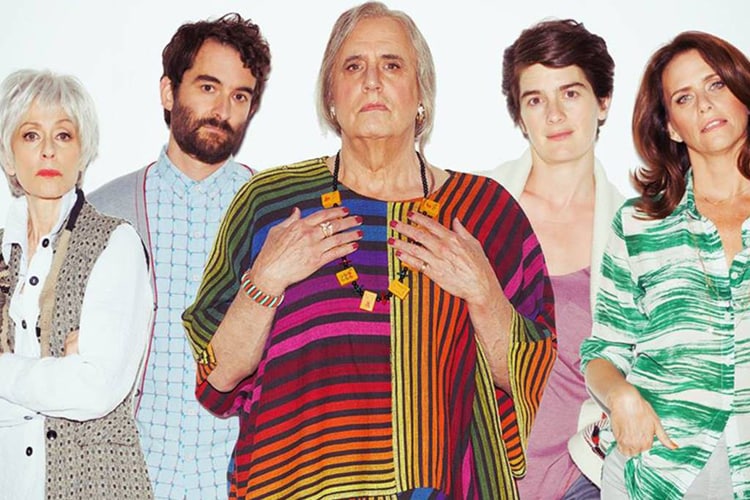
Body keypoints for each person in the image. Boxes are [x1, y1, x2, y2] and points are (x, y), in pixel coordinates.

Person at [182, 2, 556, 499]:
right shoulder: (271, 202)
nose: (373, 82)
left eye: (392, 65)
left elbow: (534, 380)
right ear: (330, 95)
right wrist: (266, 280)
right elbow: (218, 377)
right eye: (353, 66)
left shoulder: (483, 212)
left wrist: (483, 294)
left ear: (421, 93)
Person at [88, 13, 271, 499]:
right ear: (168, 92)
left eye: (240, 96)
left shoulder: (273, 214)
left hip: (241, 480)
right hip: (129, 479)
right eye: (208, 87)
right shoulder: (105, 212)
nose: (223, 110)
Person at [581, 31, 750, 499]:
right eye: (684, 97)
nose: (705, 104)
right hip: (661, 471)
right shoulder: (638, 224)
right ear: (672, 127)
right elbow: (604, 350)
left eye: (716, 85)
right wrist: (620, 397)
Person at [0, 69, 152, 498]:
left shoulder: (114, 242)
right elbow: (72, 383)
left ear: (82, 154)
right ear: (9, 157)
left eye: (64, 135)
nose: (48, 150)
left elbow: (95, 389)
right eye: (31, 135)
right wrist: (58, 373)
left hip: (95, 484)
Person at [488, 19, 623, 498]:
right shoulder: (478, 206)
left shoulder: (634, 229)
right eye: (535, 99)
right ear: (519, 115)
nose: (554, 114)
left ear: (602, 101)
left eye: (570, 93)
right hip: (478, 466)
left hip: (581, 475)